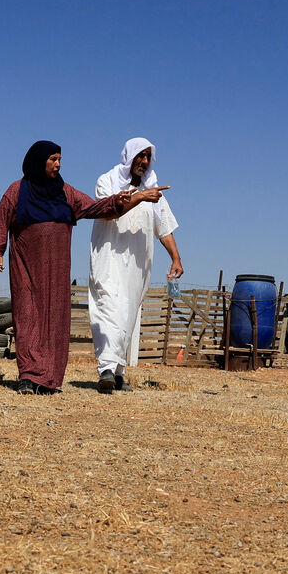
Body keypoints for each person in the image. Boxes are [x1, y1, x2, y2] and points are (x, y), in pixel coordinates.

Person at [0, 140, 162, 395]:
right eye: (53, 159)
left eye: (59, 159)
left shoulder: (65, 192)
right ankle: (27, 376)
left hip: (57, 270)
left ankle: (48, 380)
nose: (58, 164)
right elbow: (0, 221)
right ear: (39, 161)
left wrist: (124, 200)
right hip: (26, 267)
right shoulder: (18, 191)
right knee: (27, 316)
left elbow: (95, 208)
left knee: (55, 321)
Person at [88, 137, 182, 394]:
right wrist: (140, 197)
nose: (143, 161)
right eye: (139, 156)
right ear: (128, 157)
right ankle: (105, 368)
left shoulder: (153, 190)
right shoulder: (106, 181)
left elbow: (164, 228)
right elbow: (107, 211)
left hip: (138, 265)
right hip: (109, 259)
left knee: (128, 315)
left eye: (147, 157)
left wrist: (176, 257)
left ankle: (117, 372)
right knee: (109, 308)